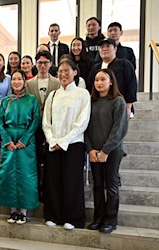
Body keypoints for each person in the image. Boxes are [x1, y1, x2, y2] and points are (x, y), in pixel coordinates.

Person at [42, 60, 90, 230]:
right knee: (53, 181)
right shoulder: (53, 95)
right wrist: (52, 140)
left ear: (75, 72)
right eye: (60, 71)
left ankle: (74, 218)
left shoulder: (83, 94)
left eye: (66, 71)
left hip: (73, 144)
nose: (63, 74)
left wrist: (64, 141)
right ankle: (53, 215)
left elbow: (82, 122)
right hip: (53, 144)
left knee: (72, 182)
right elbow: (46, 121)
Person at [85, 68, 128, 234]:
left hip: (112, 151)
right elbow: (85, 127)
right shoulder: (91, 101)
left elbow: (119, 129)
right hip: (94, 151)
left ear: (111, 82)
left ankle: (111, 219)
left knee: (111, 185)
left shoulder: (118, 101)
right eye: (96, 80)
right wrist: (90, 149)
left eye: (103, 79)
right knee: (97, 186)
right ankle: (98, 218)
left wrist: (105, 150)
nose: (99, 83)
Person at [0, 70, 40, 225]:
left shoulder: (32, 99)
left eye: (19, 79)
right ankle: (13, 210)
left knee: (25, 176)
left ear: (24, 81)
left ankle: (23, 212)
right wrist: (7, 140)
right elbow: (0, 121)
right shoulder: (5, 100)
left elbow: (35, 121)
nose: (16, 82)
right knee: (8, 175)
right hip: (8, 141)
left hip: (25, 142)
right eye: (13, 79)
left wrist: (25, 139)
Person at [26, 51, 60, 203]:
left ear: (51, 64)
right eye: (39, 62)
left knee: (50, 161)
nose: (42, 66)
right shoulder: (29, 84)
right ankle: (36, 190)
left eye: (46, 62)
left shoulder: (57, 83)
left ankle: (48, 192)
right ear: (35, 64)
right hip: (34, 128)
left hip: (52, 127)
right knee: (35, 159)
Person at [87, 38, 137, 117]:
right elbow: (90, 86)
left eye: (108, 46)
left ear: (115, 48)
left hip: (120, 106)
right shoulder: (95, 68)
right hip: (100, 107)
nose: (104, 49)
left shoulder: (124, 64)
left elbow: (131, 84)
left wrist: (128, 107)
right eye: (101, 47)